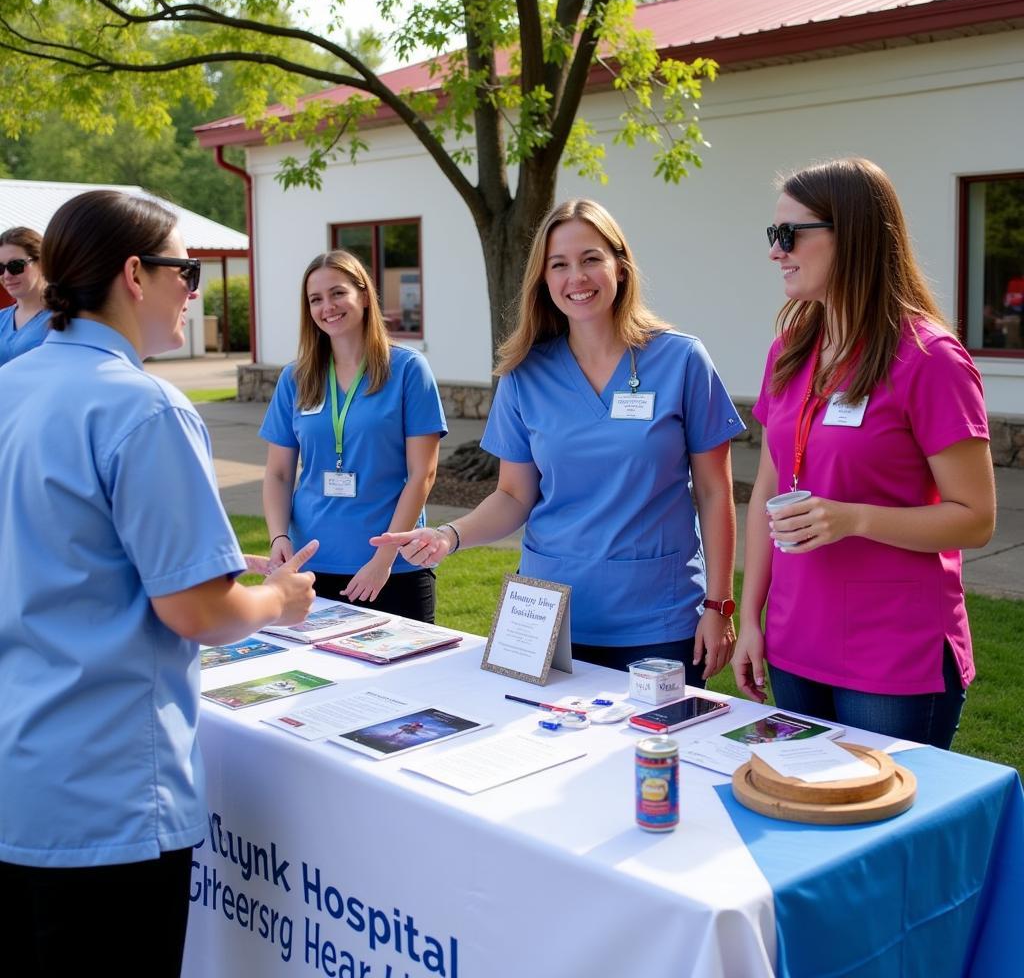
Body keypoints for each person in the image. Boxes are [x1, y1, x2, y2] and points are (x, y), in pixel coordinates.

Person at [0, 190, 318, 977]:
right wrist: (278, 598)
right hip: (105, 794)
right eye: (189, 271)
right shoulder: (143, 408)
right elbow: (198, 611)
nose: (195, 292)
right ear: (136, 275)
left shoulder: (14, 386)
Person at [373, 198, 744, 684]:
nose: (578, 277)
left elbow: (716, 492)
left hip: (659, 617)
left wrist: (719, 602)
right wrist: (449, 535)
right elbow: (512, 496)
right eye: (560, 265)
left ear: (620, 266)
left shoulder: (681, 361)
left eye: (592, 259)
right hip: (549, 615)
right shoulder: (524, 374)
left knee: (653, 757)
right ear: (544, 281)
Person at [733, 157, 996, 749]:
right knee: (810, 822)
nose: (776, 251)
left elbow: (976, 519)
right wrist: (750, 618)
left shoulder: (930, 359)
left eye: (789, 234)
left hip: (893, 657)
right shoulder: (791, 349)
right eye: (773, 235)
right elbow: (765, 497)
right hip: (796, 643)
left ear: (850, 233)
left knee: (884, 828)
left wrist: (853, 518)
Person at [261, 249, 447, 622]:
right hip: (311, 568)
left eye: (337, 293)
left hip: (394, 570)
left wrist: (384, 560)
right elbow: (279, 473)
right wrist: (279, 537)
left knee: (405, 680)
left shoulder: (408, 369)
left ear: (363, 296)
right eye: (316, 299)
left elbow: (422, 474)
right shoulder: (295, 378)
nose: (327, 306)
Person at [0, 226, 51, 365]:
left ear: (41, 263)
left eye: (15, 265)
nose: (7, 275)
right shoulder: (1, 318)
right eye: (0, 268)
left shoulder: (65, 318)